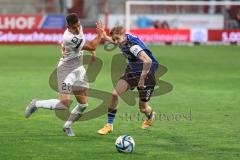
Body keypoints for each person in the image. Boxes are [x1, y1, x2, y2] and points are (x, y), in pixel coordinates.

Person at [25, 13, 104, 136]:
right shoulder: (68, 37)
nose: (78, 29)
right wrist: (100, 35)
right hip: (66, 71)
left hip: (79, 69)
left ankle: (67, 126)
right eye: (74, 27)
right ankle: (36, 103)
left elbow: (85, 43)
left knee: (83, 104)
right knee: (64, 104)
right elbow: (92, 46)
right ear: (68, 26)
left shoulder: (78, 27)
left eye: (78, 25)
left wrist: (91, 52)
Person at [97, 26, 159, 135]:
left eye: (117, 39)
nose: (116, 42)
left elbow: (148, 61)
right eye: (114, 39)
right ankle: (109, 125)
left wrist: (141, 80)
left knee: (143, 108)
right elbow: (116, 40)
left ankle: (151, 114)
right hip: (132, 71)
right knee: (114, 94)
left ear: (123, 34)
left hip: (146, 74)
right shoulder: (122, 39)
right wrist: (105, 36)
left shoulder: (131, 45)